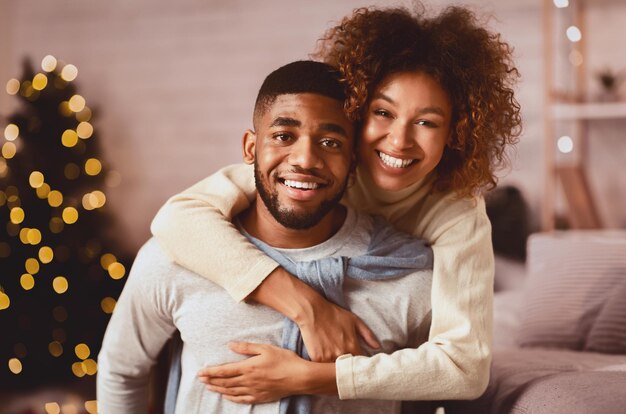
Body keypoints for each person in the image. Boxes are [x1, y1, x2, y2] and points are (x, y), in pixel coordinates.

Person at [151, 4, 522, 404]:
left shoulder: (458, 212)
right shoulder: (317, 170)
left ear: (456, 132)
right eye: (383, 112)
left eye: (427, 122)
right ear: (357, 111)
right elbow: (177, 218)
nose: (399, 141)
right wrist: (307, 306)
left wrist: (312, 377)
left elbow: (465, 369)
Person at [97, 61, 434, 414]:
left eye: (330, 142)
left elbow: (427, 398)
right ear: (250, 148)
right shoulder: (174, 259)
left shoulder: (408, 277)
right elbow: (121, 371)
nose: (305, 159)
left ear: (352, 164)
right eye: (284, 136)